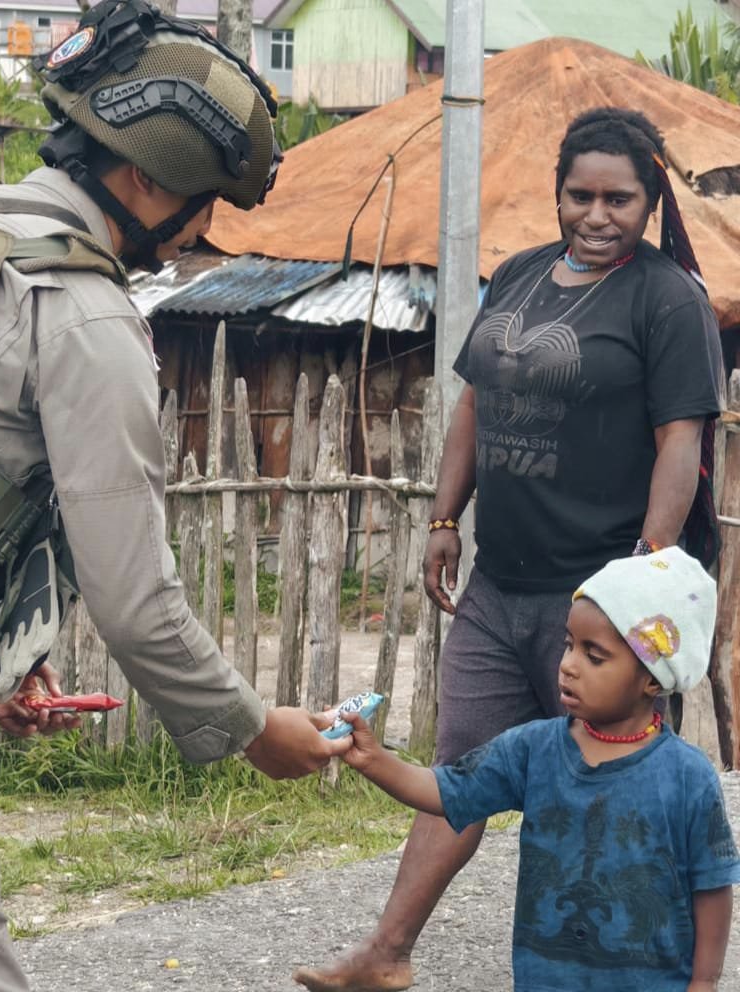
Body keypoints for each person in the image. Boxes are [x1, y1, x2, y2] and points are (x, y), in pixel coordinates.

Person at [0, 4, 352, 990]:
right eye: (204, 202)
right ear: (142, 178)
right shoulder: (85, 316)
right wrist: (256, 727)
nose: (198, 234)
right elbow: (137, 601)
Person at [295, 106, 726, 992]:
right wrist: (446, 519)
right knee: (464, 767)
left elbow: (682, 440)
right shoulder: (520, 276)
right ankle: (386, 954)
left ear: (650, 203)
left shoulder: (668, 300)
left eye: (620, 199)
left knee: (628, 793)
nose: (598, 216)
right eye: (581, 196)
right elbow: (472, 406)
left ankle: (660, 971)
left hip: (600, 602)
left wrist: (642, 578)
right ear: (556, 193)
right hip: (501, 579)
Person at [332, 547, 740, 992]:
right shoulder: (534, 748)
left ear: (653, 679)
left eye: (594, 655)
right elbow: (448, 790)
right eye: (568, 644)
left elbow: (712, 885)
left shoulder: (688, 776)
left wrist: (705, 981)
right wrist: (374, 760)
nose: (567, 665)